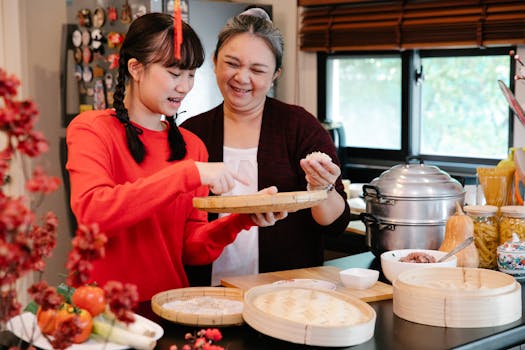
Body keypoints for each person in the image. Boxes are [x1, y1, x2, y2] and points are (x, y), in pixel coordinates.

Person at [65, 12, 287, 302]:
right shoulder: (92, 129)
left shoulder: (192, 147)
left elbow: (191, 250)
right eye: (173, 73)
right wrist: (187, 174)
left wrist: (240, 220)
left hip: (169, 308)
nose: (184, 86)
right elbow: (94, 213)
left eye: (191, 74)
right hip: (101, 314)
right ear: (135, 67)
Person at [181, 8, 351, 286]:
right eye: (232, 63)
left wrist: (322, 189)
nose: (242, 78)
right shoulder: (192, 131)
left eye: (257, 70)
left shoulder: (299, 126)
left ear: (275, 75)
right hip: (205, 292)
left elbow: (335, 223)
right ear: (214, 62)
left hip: (284, 292)